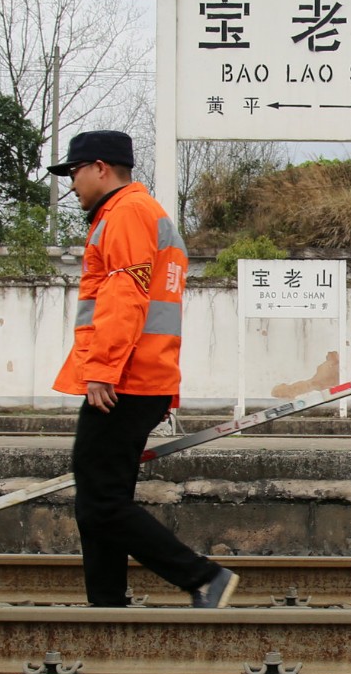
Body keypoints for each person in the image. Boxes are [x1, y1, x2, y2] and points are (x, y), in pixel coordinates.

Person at [45, 130, 237, 608]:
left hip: (123, 381)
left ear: (100, 168)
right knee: (101, 501)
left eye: (74, 172)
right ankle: (107, 604)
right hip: (141, 377)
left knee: (99, 503)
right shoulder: (146, 214)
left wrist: (102, 371)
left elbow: (124, 298)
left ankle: (203, 578)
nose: (72, 184)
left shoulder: (126, 214)